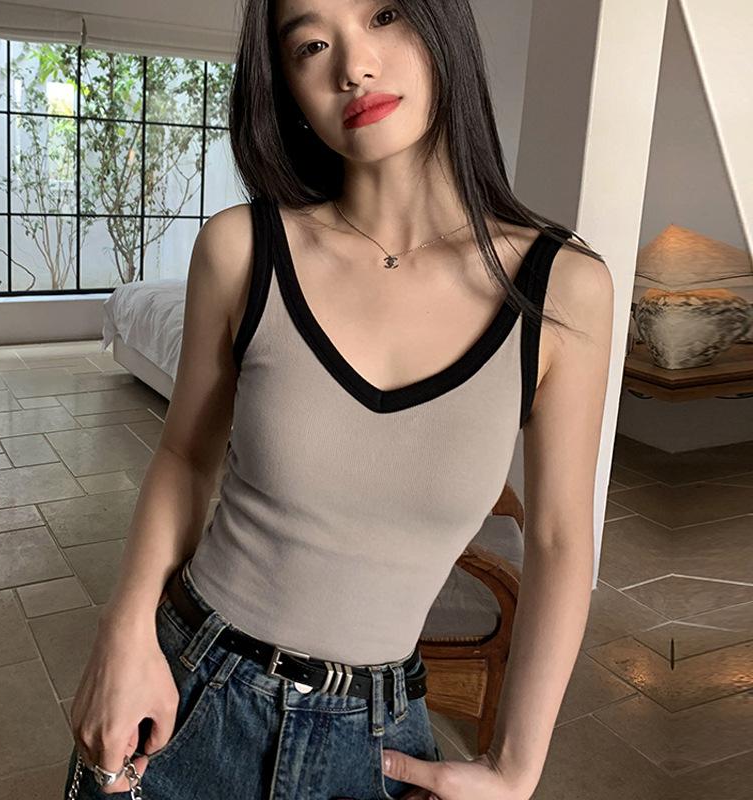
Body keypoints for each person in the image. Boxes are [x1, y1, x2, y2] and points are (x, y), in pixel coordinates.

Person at [63, 0, 614, 798]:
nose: (353, 66)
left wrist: (515, 769)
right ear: (286, 85)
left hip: (375, 742)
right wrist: (123, 635)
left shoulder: (562, 289)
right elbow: (184, 457)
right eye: (311, 45)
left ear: (442, 24)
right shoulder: (244, 249)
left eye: (384, 14)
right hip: (187, 694)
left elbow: (561, 538)